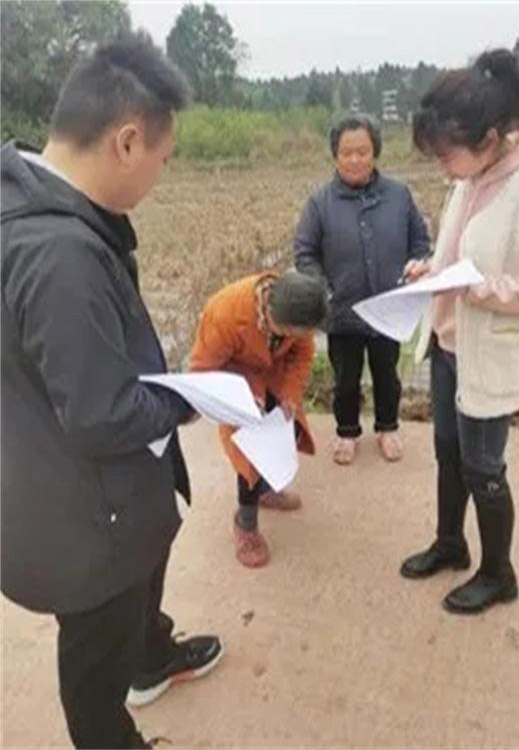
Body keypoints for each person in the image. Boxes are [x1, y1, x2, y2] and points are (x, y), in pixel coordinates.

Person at [1, 35, 223, 748]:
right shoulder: (61, 255)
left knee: (134, 608)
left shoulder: (23, 203)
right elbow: (102, 416)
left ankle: (151, 657)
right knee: (96, 672)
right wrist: (188, 397)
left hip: (54, 478)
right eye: (163, 157)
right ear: (127, 141)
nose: (161, 174)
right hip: (88, 524)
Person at [399, 49, 519, 614]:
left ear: (491, 137)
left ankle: (499, 574)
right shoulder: (470, 175)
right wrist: (430, 268)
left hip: (489, 354)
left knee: (483, 466)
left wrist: (474, 288)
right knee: (448, 451)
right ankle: (451, 543)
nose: (443, 167)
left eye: (446, 155)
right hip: (450, 343)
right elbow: (462, 246)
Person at [294, 113, 430, 466]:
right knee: (345, 379)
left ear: (375, 153)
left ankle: (387, 428)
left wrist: (417, 264)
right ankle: (347, 432)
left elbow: (420, 242)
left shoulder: (399, 196)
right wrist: (324, 289)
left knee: (387, 374)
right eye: (346, 153)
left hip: (388, 309)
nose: (354, 160)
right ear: (335, 156)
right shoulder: (320, 202)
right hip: (342, 311)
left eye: (362, 152)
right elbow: (305, 253)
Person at [189, 270, 327, 568]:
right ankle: (246, 523)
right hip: (236, 387)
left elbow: (302, 355)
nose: (301, 338)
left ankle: (265, 490)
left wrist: (289, 394)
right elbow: (202, 370)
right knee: (250, 456)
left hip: (275, 379)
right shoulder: (224, 313)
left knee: (285, 435)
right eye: (295, 333)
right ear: (275, 317)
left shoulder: (298, 311)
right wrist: (245, 395)